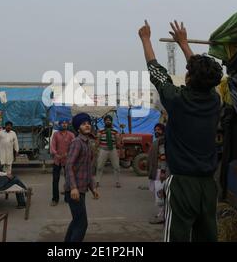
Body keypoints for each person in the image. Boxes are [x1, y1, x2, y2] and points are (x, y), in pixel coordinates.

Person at [139, 20, 223, 242]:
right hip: (208, 183)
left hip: (182, 183)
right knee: (207, 236)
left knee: (176, 236)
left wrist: (146, 39)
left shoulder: (177, 100)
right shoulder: (215, 101)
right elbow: (201, 75)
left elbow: (155, 70)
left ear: (188, 77)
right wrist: (184, 43)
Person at [64, 113, 100, 242]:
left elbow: (88, 169)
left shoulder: (87, 144)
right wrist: (73, 188)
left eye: (88, 123)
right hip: (75, 191)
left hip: (81, 189)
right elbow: (68, 165)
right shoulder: (77, 143)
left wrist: (93, 188)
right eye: (83, 124)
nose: (87, 125)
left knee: (77, 221)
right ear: (78, 128)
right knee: (82, 223)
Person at [50, 118, 75, 206]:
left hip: (68, 160)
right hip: (57, 160)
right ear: (59, 124)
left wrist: (68, 153)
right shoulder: (56, 134)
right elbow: (52, 145)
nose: (64, 124)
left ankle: (67, 198)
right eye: (62, 123)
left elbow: (74, 146)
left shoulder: (71, 135)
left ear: (68, 125)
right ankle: (55, 199)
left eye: (66, 123)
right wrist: (56, 154)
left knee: (68, 180)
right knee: (55, 180)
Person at [148, 123, 167, 225]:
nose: (157, 131)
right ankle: (161, 213)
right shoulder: (158, 141)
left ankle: (163, 216)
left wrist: (163, 172)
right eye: (155, 129)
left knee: (160, 193)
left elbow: (163, 157)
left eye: (159, 130)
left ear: (163, 131)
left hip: (160, 171)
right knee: (158, 192)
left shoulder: (162, 141)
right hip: (157, 170)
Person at [95, 115, 121, 188]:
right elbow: (97, 141)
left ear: (111, 122)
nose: (108, 121)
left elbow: (117, 142)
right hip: (103, 150)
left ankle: (117, 182)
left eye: (109, 120)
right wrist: (95, 150)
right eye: (107, 120)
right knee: (99, 166)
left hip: (113, 150)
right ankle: (97, 182)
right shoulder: (101, 130)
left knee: (116, 167)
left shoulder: (115, 131)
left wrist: (119, 140)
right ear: (104, 122)